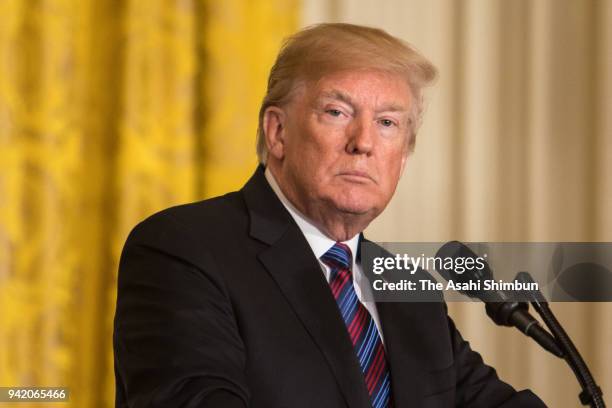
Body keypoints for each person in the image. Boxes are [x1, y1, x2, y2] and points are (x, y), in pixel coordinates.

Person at [113, 23, 546, 407]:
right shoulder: (185, 249)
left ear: (404, 157)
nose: (363, 143)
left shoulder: (409, 290)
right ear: (277, 132)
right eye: (337, 112)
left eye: (388, 123)